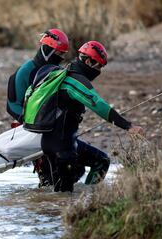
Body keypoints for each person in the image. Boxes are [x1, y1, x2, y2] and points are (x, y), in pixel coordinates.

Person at [27, 41, 144, 192]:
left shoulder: (61, 74)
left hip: (51, 143)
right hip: (63, 149)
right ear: (88, 61)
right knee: (63, 197)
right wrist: (128, 126)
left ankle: (87, 196)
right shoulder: (75, 80)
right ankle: (83, 202)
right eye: (98, 66)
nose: (99, 71)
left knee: (101, 161)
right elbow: (99, 106)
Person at [6, 28, 69, 187]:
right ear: (47, 49)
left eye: (63, 55)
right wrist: (35, 124)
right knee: (49, 177)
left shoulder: (57, 72)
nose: (61, 58)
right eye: (59, 54)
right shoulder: (25, 72)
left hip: (53, 128)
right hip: (30, 129)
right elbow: (11, 105)